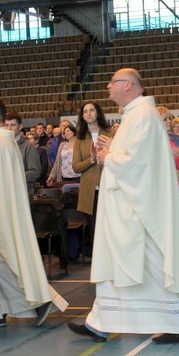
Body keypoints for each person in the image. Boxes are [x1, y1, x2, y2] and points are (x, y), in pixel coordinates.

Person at [67, 68, 179, 344]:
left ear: (127, 85)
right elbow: (134, 154)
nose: (107, 86)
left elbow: (137, 162)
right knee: (118, 267)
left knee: (150, 266)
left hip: (138, 211)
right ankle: (100, 322)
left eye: (112, 82)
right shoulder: (135, 115)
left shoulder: (142, 115)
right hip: (127, 207)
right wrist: (112, 148)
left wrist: (107, 156)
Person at [0, 98, 68, 327]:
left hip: (0, 213)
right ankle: (4, 311)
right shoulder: (5, 142)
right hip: (6, 209)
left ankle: (34, 302)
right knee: (0, 261)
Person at [73, 101, 112, 254]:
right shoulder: (80, 138)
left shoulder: (109, 133)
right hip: (90, 191)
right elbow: (75, 167)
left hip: (108, 187)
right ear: (82, 116)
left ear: (98, 113)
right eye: (85, 111)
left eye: (92, 110)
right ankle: (98, 262)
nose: (88, 113)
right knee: (95, 228)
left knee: (111, 226)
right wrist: (91, 159)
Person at [5, 112, 42, 202]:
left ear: (20, 127)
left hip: (23, 194)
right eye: (6, 125)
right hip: (6, 193)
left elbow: (35, 172)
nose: (9, 128)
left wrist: (14, 176)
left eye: (13, 125)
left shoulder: (28, 146)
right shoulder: (3, 145)